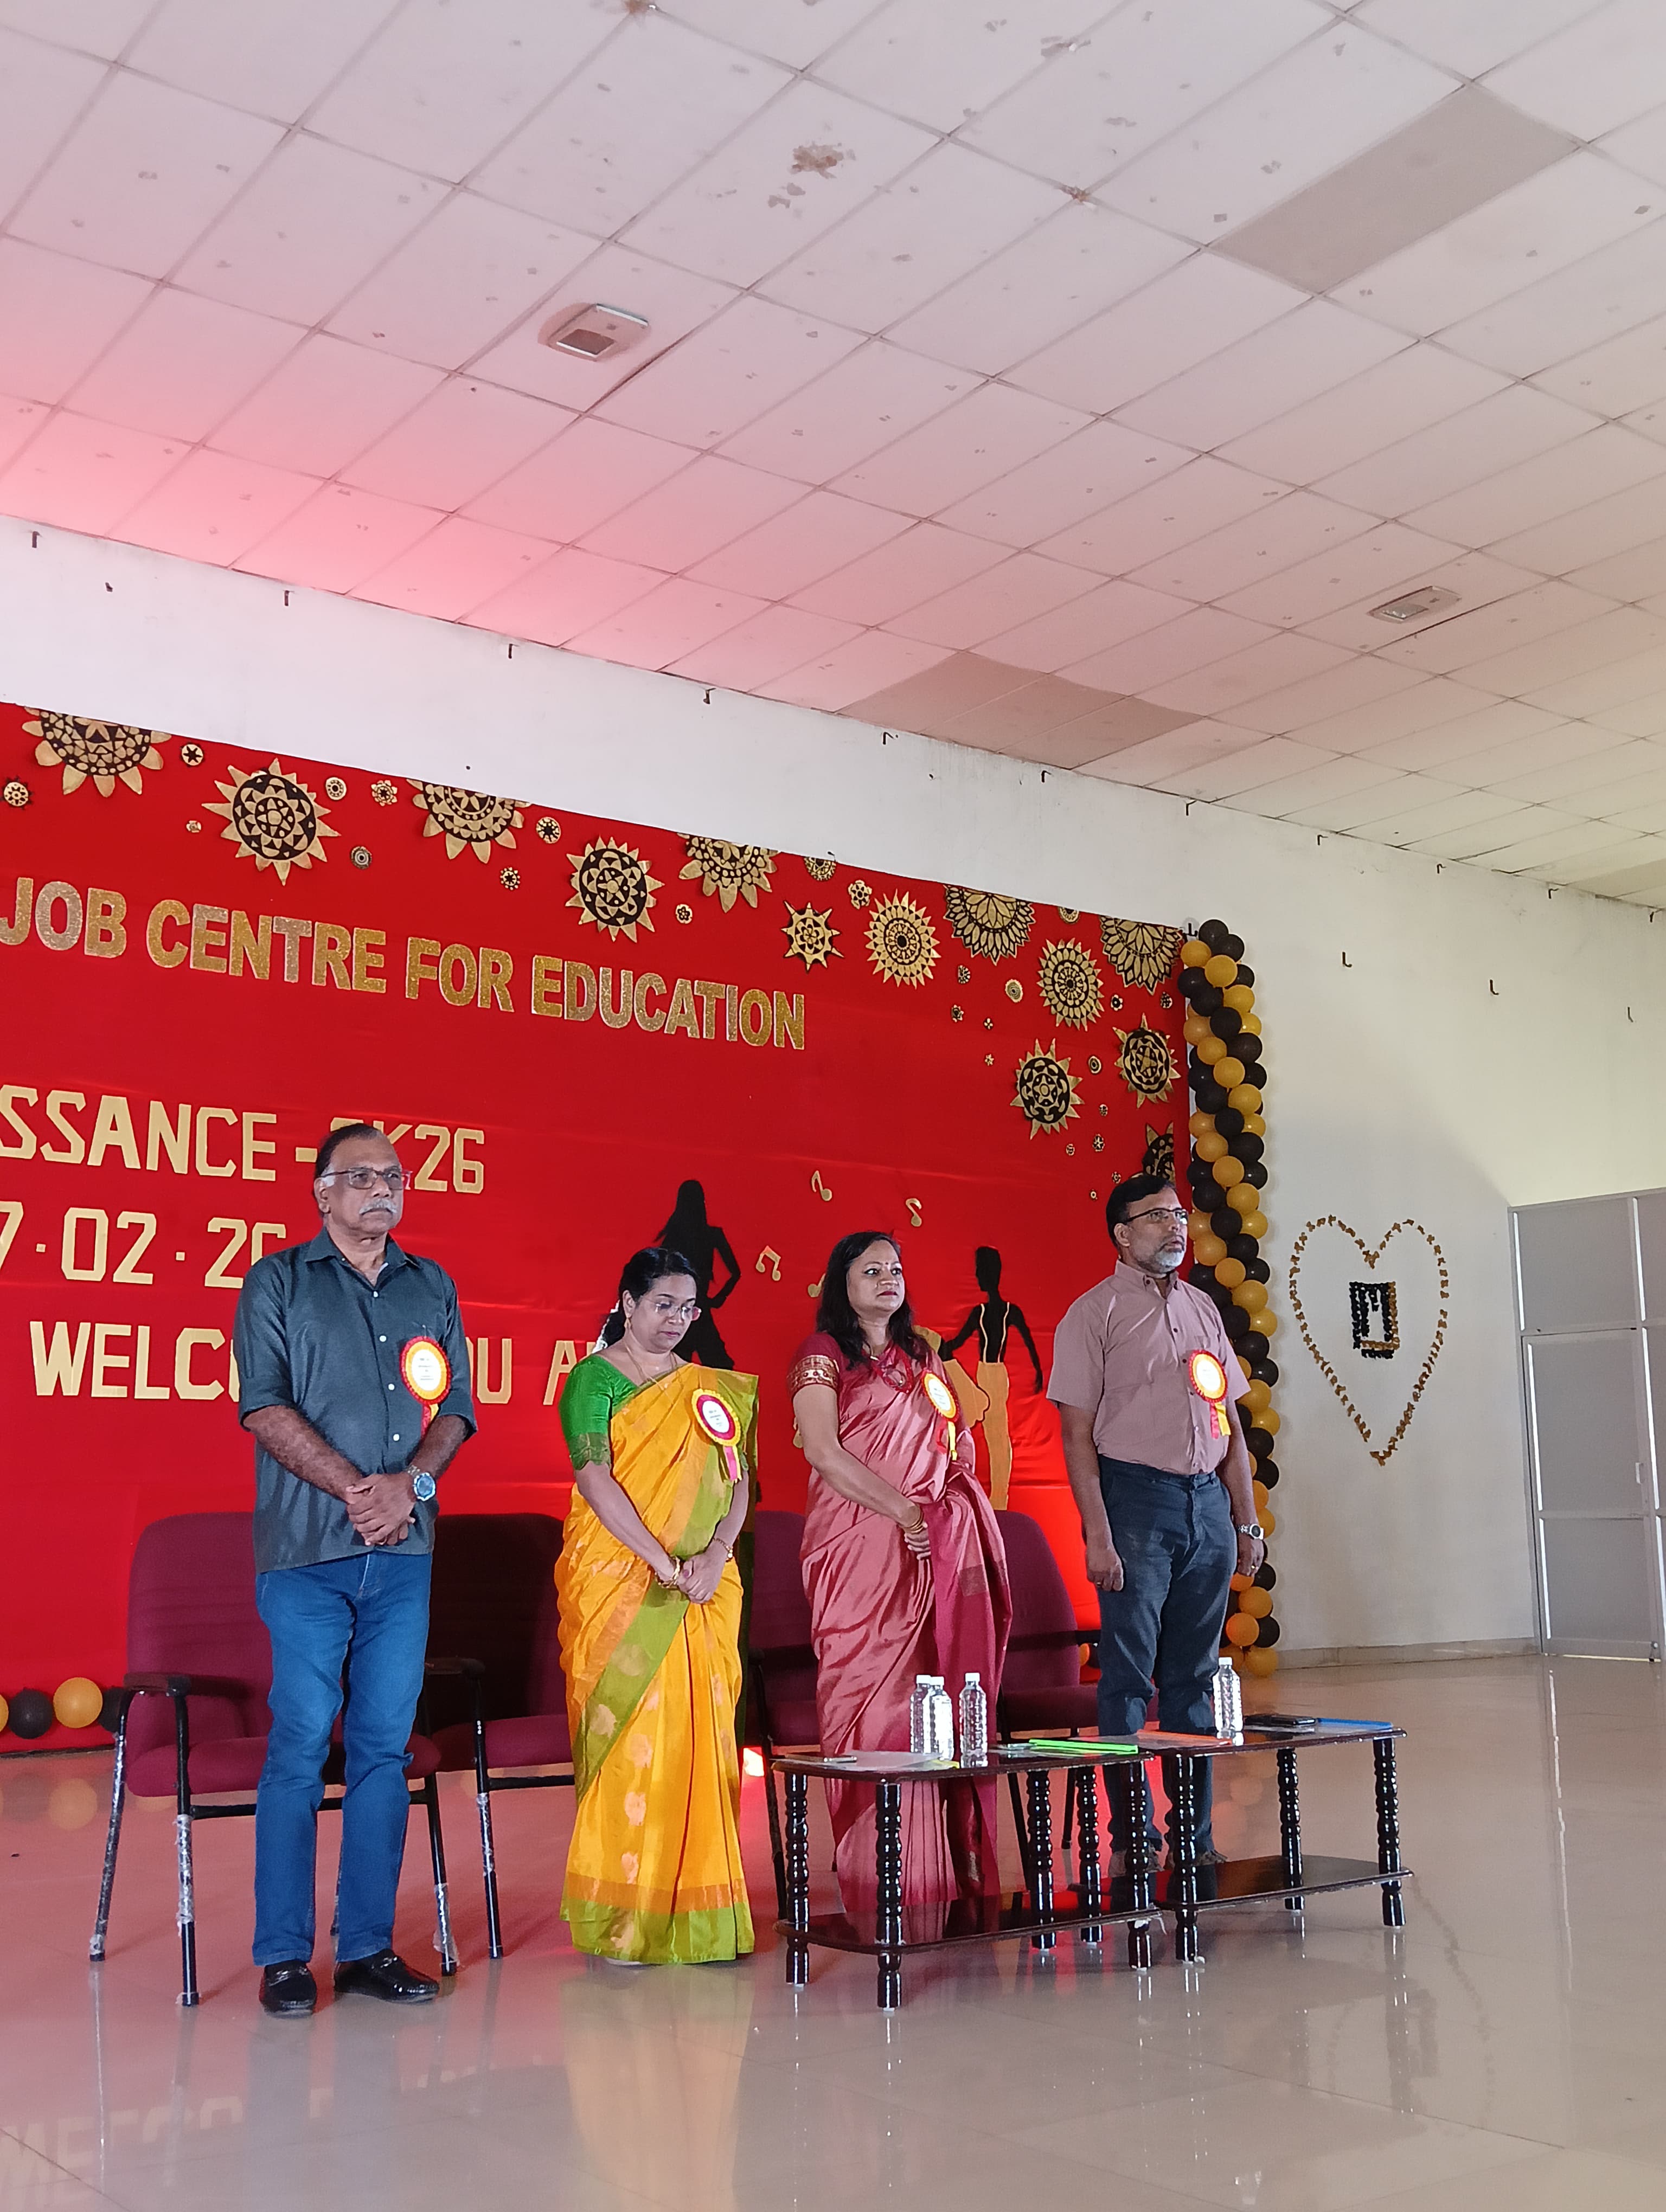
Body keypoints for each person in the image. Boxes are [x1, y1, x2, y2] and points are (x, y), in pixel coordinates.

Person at [233, 1122, 475, 2016]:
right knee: (301, 1743)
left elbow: (455, 1408)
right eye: (362, 1176)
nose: (382, 1190)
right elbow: (264, 1407)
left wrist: (410, 1487)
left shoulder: (431, 1285)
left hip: (403, 1556)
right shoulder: (278, 1281)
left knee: (384, 1748)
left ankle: (368, 1945)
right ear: (322, 1193)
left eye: (394, 1177)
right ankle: (284, 1957)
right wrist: (357, 1490)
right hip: (309, 1555)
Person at [1048, 1175, 1265, 1868]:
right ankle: (1133, 1840)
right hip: (1136, 1500)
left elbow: (1229, 1421)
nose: (1176, 1227)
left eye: (1179, 1215)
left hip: (1207, 1503)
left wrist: (1246, 1521)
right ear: (1122, 1233)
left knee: (1194, 1678)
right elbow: (1076, 1435)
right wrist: (1098, 1533)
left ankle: (1194, 1841)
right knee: (1127, 1679)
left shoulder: (1202, 1307)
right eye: (1157, 1217)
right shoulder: (1094, 1314)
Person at [792, 1232, 1011, 1912]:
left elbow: (954, 1438)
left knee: (929, 1695)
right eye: (871, 1270)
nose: (888, 1279)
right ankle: (877, 1879)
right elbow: (824, 1452)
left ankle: (935, 1878)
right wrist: (906, 1512)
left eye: (895, 1269)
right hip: (857, 1548)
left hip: (927, 1549)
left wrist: (949, 1508)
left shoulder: (922, 1355)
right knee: (870, 1698)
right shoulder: (823, 1354)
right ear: (843, 1281)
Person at [555, 1247, 754, 1965]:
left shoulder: (707, 1390)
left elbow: (738, 1481)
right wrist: (664, 1564)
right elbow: (595, 1479)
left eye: (688, 1308)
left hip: (703, 1585)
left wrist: (716, 1555)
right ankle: (623, 1919)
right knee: (632, 1738)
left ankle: (699, 1915)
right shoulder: (594, 1379)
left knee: (700, 1741)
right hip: (622, 1578)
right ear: (628, 1303)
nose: (676, 1319)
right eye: (662, 1304)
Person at [941, 1245, 1045, 1510]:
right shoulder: (985, 1312)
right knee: (993, 1433)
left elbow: (1030, 1342)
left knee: (996, 1433)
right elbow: (959, 1342)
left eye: (980, 1272)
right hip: (987, 1372)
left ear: (988, 1274)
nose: (977, 1277)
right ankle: (996, 1493)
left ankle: (1000, 1495)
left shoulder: (1000, 1312)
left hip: (994, 1375)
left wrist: (1038, 1371)